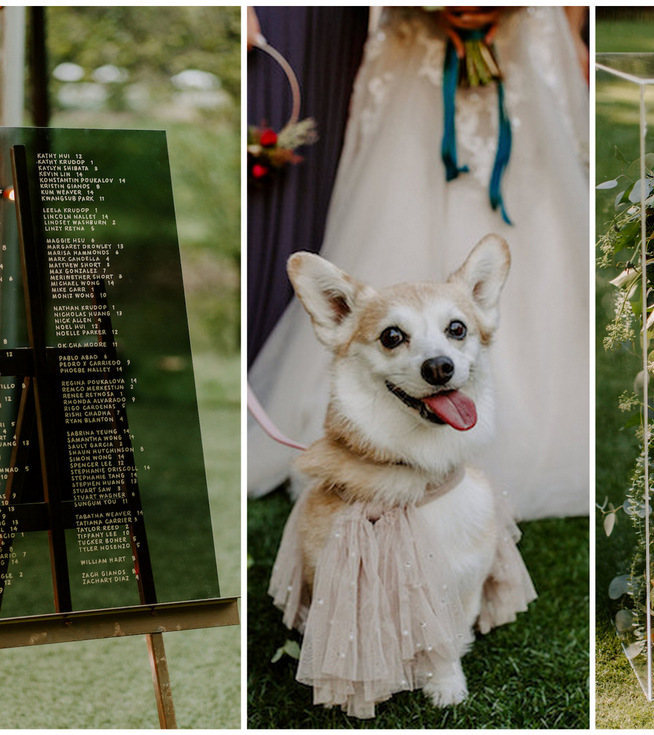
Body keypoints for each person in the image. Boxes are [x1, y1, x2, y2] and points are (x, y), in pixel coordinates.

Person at [248, 7, 590, 520]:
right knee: (398, 199)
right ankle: (378, 407)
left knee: (536, 212)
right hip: (416, 45)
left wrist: (572, 29)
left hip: (526, 39)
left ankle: (549, 426)